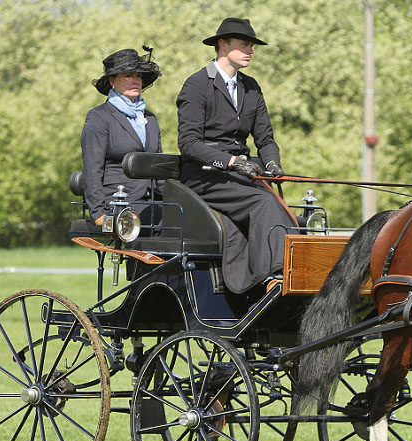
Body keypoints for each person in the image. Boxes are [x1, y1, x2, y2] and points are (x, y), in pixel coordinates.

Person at [177, 17, 295, 293]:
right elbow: (189, 143)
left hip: (242, 173)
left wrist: (271, 163)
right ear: (222, 44)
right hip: (205, 175)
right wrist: (230, 162)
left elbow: (265, 138)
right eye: (244, 45)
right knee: (264, 204)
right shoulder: (196, 85)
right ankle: (275, 276)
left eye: (252, 46)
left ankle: (295, 271)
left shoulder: (251, 87)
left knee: (287, 210)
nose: (250, 51)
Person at [81, 47, 162, 226]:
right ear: (112, 80)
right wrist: (97, 213)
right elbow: (92, 169)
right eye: (128, 76)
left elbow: (159, 167)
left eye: (138, 76)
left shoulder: (150, 119)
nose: (135, 80)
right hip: (118, 202)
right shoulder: (100, 117)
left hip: (151, 201)